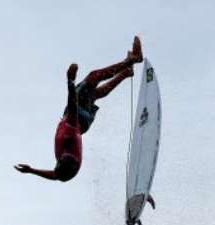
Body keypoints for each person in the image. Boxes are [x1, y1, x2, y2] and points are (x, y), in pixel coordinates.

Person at [14, 36, 143, 182]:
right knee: (93, 77)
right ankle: (132, 60)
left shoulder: (69, 169)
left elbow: (55, 176)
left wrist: (31, 171)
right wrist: (70, 80)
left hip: (84, 123)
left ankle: (126, 73)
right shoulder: (68, 135)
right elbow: (72, 103)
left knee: (95, 94)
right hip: (77, 117)